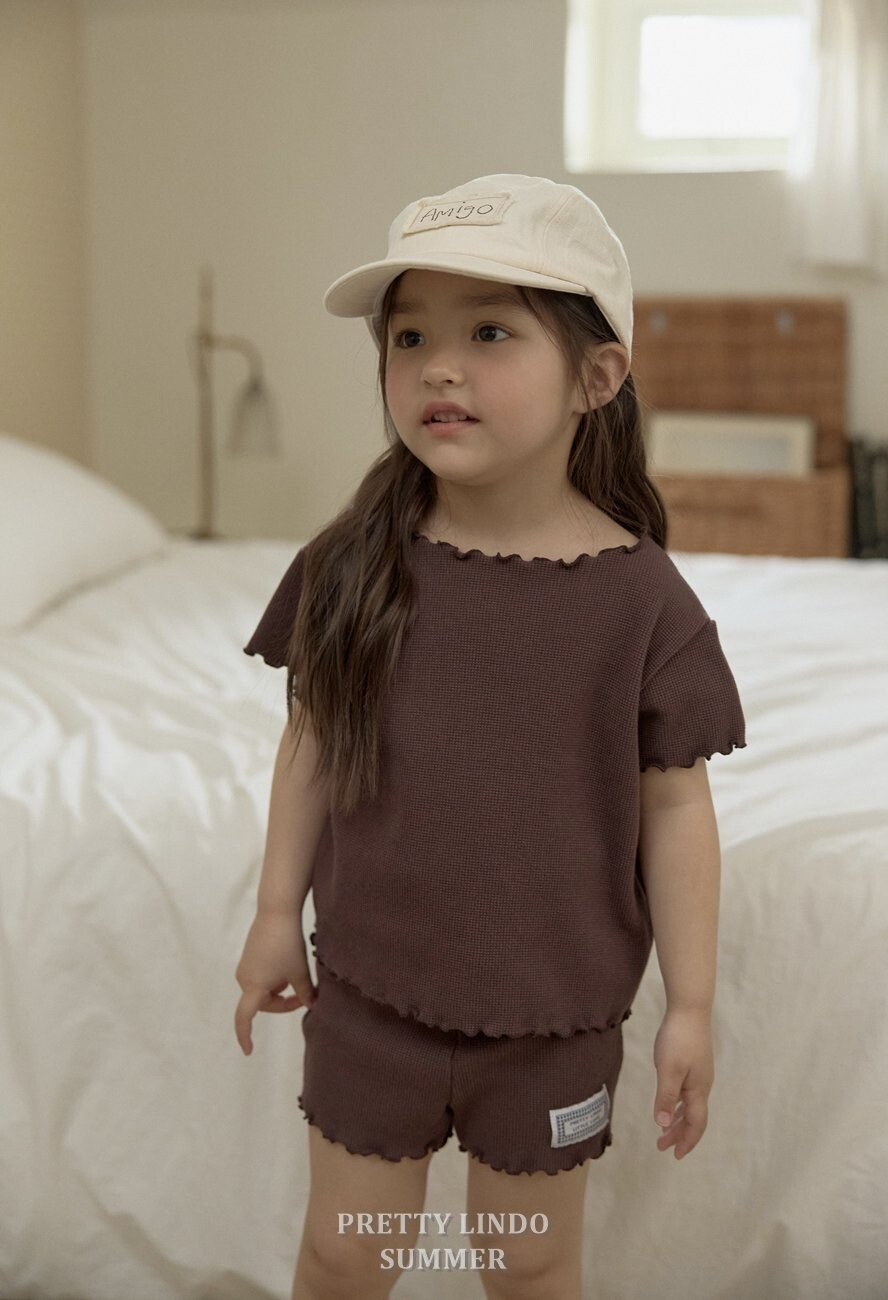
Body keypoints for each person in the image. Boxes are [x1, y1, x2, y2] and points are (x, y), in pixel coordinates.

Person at [234, 174, 747, 1300]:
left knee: (528, 1263)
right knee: (346, 1253)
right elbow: (311, 744)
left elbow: (676, 808)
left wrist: (692, 1006)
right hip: (371, 1000)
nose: (438, 367)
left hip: (554, 1019)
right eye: (409, 336)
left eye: (490, 333)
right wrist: (275, 914)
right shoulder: (351, 562)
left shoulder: (643, 603)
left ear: (596, 377)